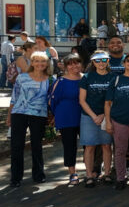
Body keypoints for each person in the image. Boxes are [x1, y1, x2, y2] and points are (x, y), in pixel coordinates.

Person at [8, 52, 53, 187]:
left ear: (46, 64)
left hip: (39, 115)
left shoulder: (50, 80)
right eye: (37, 61)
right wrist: (9, 115)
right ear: (32, 63)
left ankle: (38, 175)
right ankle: (15, 178)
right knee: (16, 146)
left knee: (37, 146)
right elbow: (14, 98)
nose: (40, 64)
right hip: (19, 114)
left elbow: (52, 100)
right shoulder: (21, 78)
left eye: (43, 61)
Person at [104, 53, 129, 189]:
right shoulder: (116, 80)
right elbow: (108, 103)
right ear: (124, 63)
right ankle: (121, 178)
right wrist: (108, 122)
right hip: (119, 120)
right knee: (120, 150)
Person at [78, 51, 116, 186]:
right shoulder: (87, 77)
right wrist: (94, 116)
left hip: (107, 116)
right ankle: (89, 175)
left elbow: (114, 100)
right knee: (89, 146)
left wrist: (104, 115)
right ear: (93, 62)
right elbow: (82, 100)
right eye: (97, 60)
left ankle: (106, 173)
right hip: (89, 117)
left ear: (108, 61)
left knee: (106, 145)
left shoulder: (114, 77)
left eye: (104, 60)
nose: (101, 63)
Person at [49, 54, 83, 186]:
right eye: (70, 63)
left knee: (90, 145)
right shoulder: (61, 82)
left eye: (77, 63)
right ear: (65, 66)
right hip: (66, 117)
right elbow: (52, 101)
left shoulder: (85, 78)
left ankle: (93, 170)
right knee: (70, 146)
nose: (74, 66)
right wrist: (55, 116)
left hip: (85, 116)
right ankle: (72, 172)